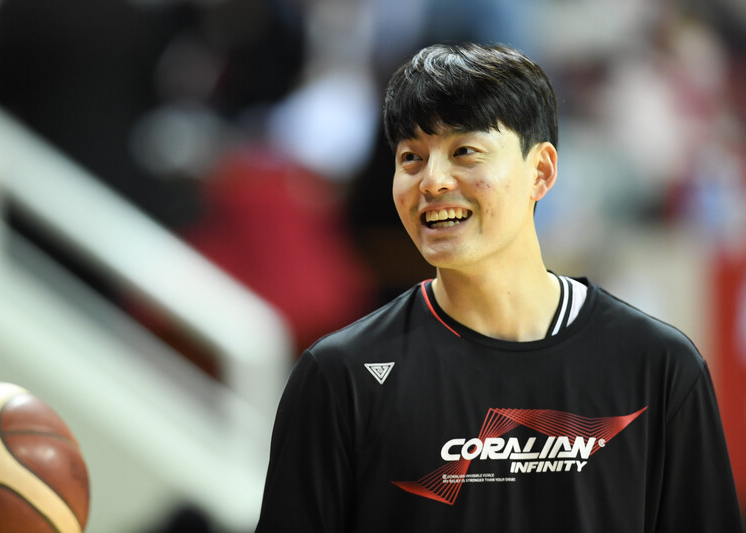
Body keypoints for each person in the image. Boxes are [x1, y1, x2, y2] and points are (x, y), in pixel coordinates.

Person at [255, 43, 744, 532]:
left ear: (541, 172)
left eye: (464, 152)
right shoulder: (340, 377)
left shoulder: (659, 366)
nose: (432, 181)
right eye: (411, 158)